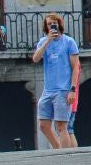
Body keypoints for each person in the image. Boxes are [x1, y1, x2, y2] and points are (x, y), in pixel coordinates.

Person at [32, 13, 80, 149]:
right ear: (46, 27)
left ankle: (65, 156)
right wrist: (47, 41)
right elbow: (35, 59)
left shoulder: (69, 42)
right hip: (48, 90)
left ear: (59, 24)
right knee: (43, 125)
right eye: (49, 24)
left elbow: (75, 67)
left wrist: (72, 89)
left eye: (54, 23)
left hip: (63, 90)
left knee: (61, 126)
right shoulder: (43, 42)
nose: (52, 25)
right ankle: (58, 148)